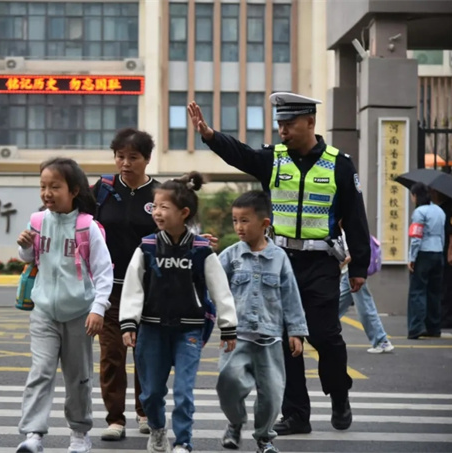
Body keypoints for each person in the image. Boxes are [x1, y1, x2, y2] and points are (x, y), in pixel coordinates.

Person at [188, 93, 371, 435]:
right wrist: (211, 136)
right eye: (280, 125)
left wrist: (360, 266)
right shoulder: (274, 159)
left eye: (289, 125)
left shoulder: (340, 164)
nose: (283, 131)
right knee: (286, 338)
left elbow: (356, 219)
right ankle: (297, 415)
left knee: (324, 334)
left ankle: (339, 391)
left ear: (310, 123)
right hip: (278, 262)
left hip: (321, 263)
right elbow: (240, 154)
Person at [119, 172, 238, 453]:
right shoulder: (147, 247)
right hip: (151, 328)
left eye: (164, 207)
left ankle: (183, 441)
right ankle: (158, 431)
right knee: (151, 393)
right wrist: (129, 323)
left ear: (184, 213)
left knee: (184, 392)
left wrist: (228, 325)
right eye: (155, 206)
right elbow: (133, 287)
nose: (157, 213)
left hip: (189, 329)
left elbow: (220, 289)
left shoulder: (200, 250)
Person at [15, 158, 113, 453]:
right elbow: (30, 258)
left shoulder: (87, 228)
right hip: (44, 311)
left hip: (79, 314)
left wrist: (98, 309)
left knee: (78, 377)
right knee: (40, 371)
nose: (47, 193)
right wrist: (24, 246)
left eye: (55, 186)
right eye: (43, 186)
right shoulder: (37, 221)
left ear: (74, 190)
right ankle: (33, 434)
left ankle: (80, 434)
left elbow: (104, 271)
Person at [217, 191, 308, 453]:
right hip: (236, 336)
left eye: (244, 220)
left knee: (271, 394)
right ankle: (235, 422)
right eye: (235, 221)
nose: (238, 227)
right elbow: (211, 283)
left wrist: (296, 331)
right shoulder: (231, 256)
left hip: (270, 339)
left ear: (264, 224)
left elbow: (290, 295)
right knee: (229, 382)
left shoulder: (279, 257)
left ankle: (264, 439)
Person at [92, 128, 159, 440]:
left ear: (147, 159)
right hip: (110, 288)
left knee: (146, 353)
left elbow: (173, 230)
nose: (125, 163)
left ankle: (145, 412)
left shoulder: (159, 194)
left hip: (149, 288)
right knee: (112, 354)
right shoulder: (102, 190)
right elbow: (84, 227)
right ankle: (115, 420)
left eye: (133, 157)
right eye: (120, 156)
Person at [338, 233, 394, 353]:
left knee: (365, 306)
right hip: (349, 273)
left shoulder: (345, 231)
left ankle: (381, 340)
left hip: (351, 273)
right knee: (337, 302)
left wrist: (337, 267)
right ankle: (320, 330)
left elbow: (349, 257)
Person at [407, 182, 445, 339]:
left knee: (417, 290)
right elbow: (442, 234)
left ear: (416, 196)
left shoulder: (419, 212)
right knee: (434, 292)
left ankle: (416, 327)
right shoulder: (439, 211)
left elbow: (416, 237)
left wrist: (411, 258)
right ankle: (434, 327)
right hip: (438, 252)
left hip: (423, 252)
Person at [430, 190, 452, 329]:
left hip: (447, 251)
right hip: (440, 249)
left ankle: (448, 317)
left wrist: (451, 252)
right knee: (442, 284)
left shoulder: (450, 207)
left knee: (448, 285)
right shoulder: (439, 207)